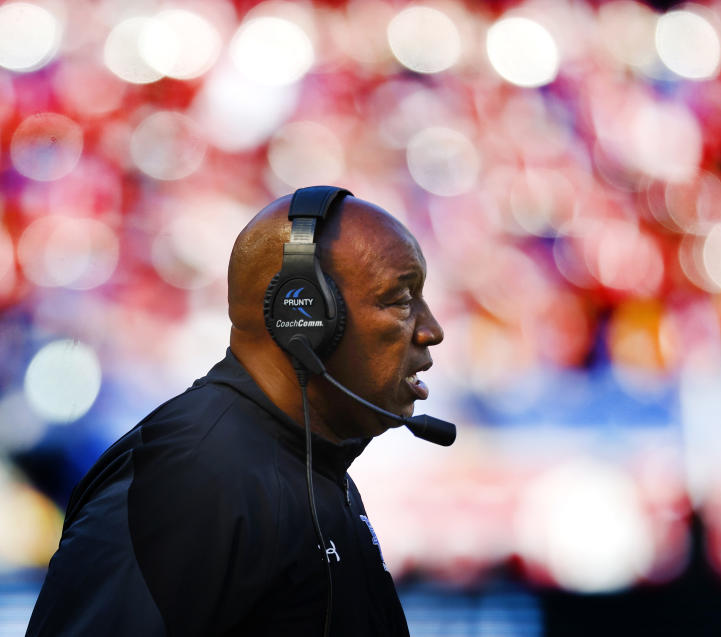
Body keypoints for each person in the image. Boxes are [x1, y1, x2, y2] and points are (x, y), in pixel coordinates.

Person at [26, 189, 445, 636]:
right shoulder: (192, 480)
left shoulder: (302, 464)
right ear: (304, 316)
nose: (431, 330)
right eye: (400, 300)